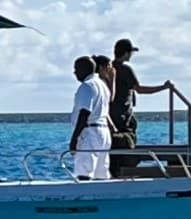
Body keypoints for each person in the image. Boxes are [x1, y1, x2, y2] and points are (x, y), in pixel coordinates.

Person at [108, 37, 166, 152]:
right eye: (130, 53)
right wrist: (163, 87)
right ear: (125, 53)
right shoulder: (125, 69)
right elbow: (139, 89)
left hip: (111, 114)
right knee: (126, 145)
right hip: (122, 116)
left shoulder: (108, 68)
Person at [68, 52, 112, 182]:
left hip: (89, 132)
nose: (74, 73)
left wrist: (74, 138)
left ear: (84, 69)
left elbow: (84, 113)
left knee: (84, 171)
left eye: (76, 69)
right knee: (101, 173)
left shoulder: (87, 86)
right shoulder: (103, 85)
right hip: (103, 132)